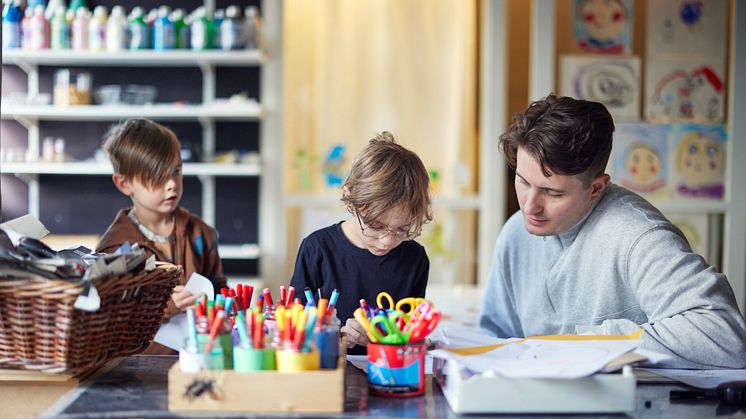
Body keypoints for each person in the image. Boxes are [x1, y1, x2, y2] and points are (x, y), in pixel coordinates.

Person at [479, 94, 746, 369]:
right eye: (523, 181)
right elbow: (495, 338)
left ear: (596, 188)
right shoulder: (515, 233)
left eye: (552, 193)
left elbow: (726, 337)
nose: (530, 206)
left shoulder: (640, 237)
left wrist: (595, 341)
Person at [290, 132, 433, 355]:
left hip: (390, 374)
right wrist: (338, 337)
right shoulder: (317, 249)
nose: (387, 241)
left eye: (402, 230)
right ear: (350, 197)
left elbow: (411, 334)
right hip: (330, 373)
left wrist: (401, 339)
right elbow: (292, 332)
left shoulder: (415, 259)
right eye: (376, 225)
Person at [96, 119, 226, 354]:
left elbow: (219, 288)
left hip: (200, 358)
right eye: (156, 176)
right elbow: (111, 317)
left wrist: (224, 308)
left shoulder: (201, 234)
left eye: (176, 171)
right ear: (124, 183)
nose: (171, 185)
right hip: (139, 369)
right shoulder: (114, 249)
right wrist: (165, 307)